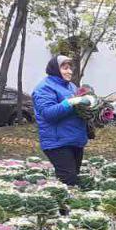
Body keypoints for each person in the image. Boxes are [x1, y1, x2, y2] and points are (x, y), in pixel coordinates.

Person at [32, 54, 95, 186]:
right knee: (69, 181)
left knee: (72, 180)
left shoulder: (71, 86)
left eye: (70, 68)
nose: (69, 71)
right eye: (65, 68)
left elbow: (77, 110)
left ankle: (66, 205)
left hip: (75, 140)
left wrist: (91, 107)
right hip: (57, 142)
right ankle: (61, 206)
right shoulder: (44, 88)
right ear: (55, 69)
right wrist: (70, 102)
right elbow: (48, 113)